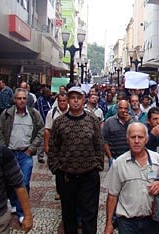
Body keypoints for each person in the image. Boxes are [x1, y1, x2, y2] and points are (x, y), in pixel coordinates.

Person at [48, 86, 104, 234]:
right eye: (72, 98)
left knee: (89, 214)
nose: (75, 101)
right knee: (69, 214)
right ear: (68, 100)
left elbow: (99, 143)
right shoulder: (59, 122)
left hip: (89, 175)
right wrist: (56, 168)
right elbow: (53, 146)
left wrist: (98, 165)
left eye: (78, 98)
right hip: (66, 176)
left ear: (83, 100)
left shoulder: (92, 119)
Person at [104, 122, 159, 234]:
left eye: (140, 137)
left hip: (151, 220)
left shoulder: (156, 159)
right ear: (127, 139)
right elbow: (112, 195)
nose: (136, 141)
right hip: (126, 222)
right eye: (133, 137)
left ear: (147, 139)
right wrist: (109, 223)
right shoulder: (119, 163)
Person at [0, 88, 44, 224]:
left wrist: (32, 148)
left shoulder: (34, 114)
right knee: (10, 182)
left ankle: (21, 211)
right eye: (19, 98)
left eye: (24, 98)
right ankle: (14, 203)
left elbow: (41, 130)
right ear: (14, 100)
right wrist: (3, 149)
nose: (22, 101)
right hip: (10, 153)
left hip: (25, 154)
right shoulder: (7, 114)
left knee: (24, 182)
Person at [43, 93, 69, 200]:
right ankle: (59, 190)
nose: (62, 103)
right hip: (57, 146)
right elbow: (47, 130)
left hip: (69, 146)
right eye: (60, 101)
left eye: (64, 101)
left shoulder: (71, 111)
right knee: (58, 170)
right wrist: (46, 145)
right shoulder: (52, 113)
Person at [103, 99, 137, 166]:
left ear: (128, 110)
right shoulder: (109, 121)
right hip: (115, 159)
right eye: (121, 108)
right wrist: (110, 158)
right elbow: (104, 140)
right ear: (117, 109)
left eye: (125, 108)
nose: (123, 110)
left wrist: (129, 122)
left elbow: (137, 134)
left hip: (131, 159)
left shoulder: (134, 121)